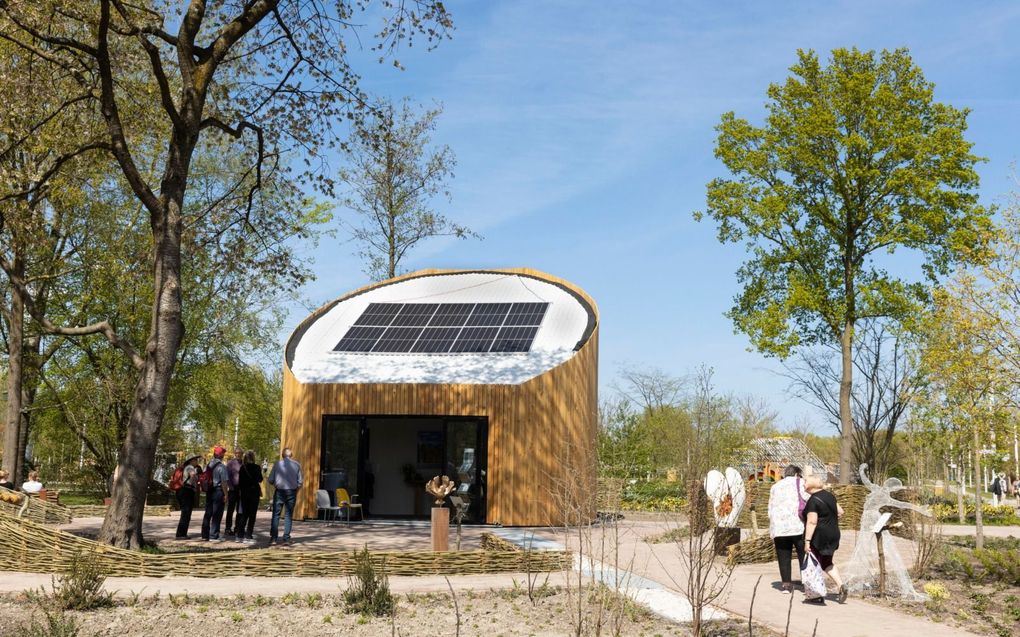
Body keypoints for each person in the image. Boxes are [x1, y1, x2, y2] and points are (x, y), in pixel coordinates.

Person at [802, 475, 847, 604]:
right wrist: (829, 520)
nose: (803, 484)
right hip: (833, 533)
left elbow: (811, 522)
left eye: (805, 482)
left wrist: (807, 541)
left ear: (810, 485)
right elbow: (841, 512)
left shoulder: (813, 501)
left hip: (819, 536)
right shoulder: (829, 496)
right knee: (827, 562)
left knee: (813, 563)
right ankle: (841, 585)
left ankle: (816, 595)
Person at [767, 464, 809, 593]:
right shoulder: (802, 483)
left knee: (783, 555)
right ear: (797, 474)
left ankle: (786, 585)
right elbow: (808, 499)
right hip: (798, 526)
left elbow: (770, 507)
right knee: (803, 555)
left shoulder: (775, 486)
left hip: (779, 527)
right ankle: (807, 583)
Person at [268, 447, 303, 546]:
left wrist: (276, 483)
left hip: (279, 491)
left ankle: (273, 538)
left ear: (283, 455)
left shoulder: (277, 464)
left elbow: (270, 479)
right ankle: (286, 538)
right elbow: (300, 482)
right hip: (291, 492)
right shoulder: (297, 465)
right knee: (288, 515)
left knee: (276, 514)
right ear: (291, 455)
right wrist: (296, 490)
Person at [201, 446, 230, 541]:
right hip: (218, 491)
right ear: (221, 455)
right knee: (217, 513)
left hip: (209, 490)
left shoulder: (208, 465)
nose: (224, 455)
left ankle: (205, 534)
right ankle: (214, 535)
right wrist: (226, 494)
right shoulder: (222, 466)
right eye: (223, 453)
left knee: (208, 512)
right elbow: (224, 482)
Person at [233, 450, 263, 543]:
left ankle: (239, 535)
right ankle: (248, 535)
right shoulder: (257, 467)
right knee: (252, 515)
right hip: (254, 493)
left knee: (244, 514)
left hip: (244, 493)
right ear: (253, 457)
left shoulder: (242, 468)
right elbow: (260, 479)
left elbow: (240, 482)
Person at [175, 456, 201, 539]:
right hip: (187, 491)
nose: (197, 461)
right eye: (195, 460)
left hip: (183, 491)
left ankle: (182, 533)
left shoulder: (186, 467)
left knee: (185, 513)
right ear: (191, 461)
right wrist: (196, 475)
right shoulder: (190, 467)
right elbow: (192, 475)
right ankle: (181, 534)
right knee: (186, 513)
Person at [224, 447, 243, 536]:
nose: (238, 454)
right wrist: (230, 487)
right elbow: (227, 476)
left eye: (240, 453)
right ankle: (228, 528)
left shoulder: (244, 463)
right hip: (233, 489)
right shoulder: (230, 463)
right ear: (234, 454)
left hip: (241, 489)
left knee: (240, 510)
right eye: (237, 453)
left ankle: (237, 528)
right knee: (230, 509)